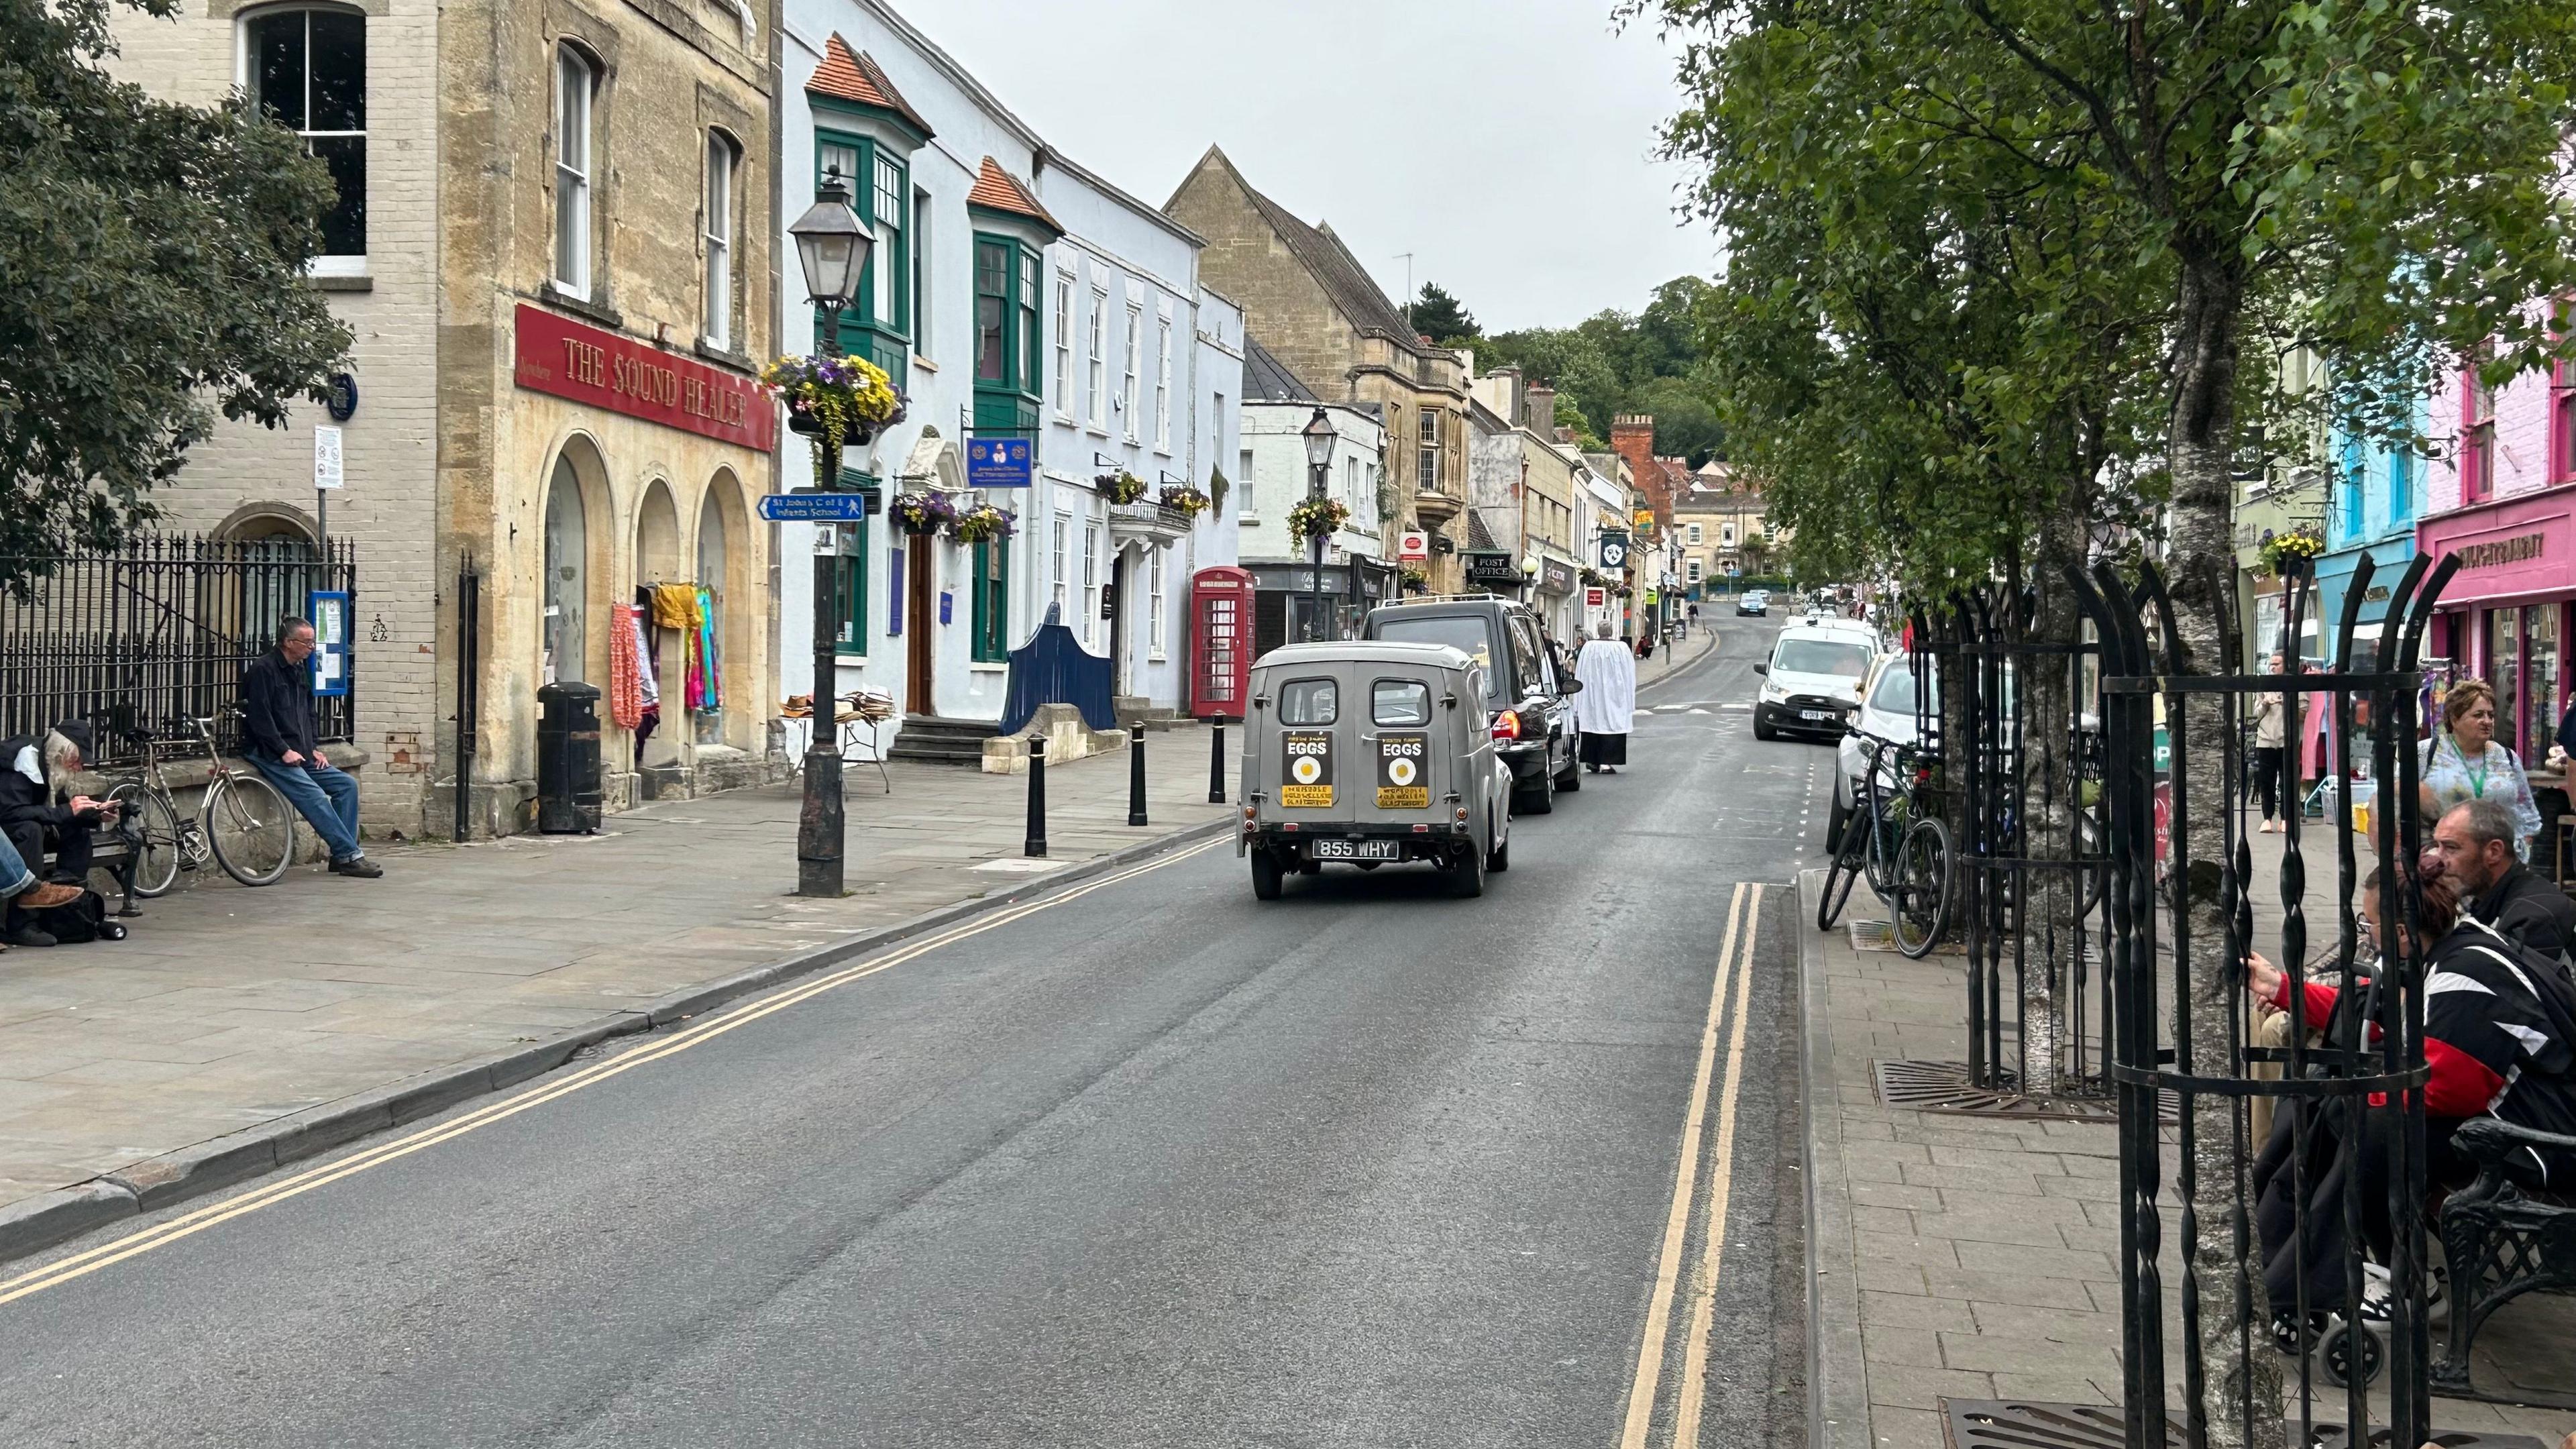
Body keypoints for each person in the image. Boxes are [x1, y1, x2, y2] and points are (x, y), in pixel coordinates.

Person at [2250, 863, 2576, 1342]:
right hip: (2483, 1119)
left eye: (2369, 925)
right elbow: (2371, 1015)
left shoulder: (2469, 973)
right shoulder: (2431, 950)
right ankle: (2290, 1250)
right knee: (2335, 1100)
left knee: (2374, 1124)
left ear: (2400, 931)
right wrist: (2281, 989)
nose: (2366, 934)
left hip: (2532, 1139)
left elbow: (2448, 1087)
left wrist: (2360, 1090)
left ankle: (2401, 1280)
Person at [242, 616, 383, 878]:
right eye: (306, 642)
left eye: (313, 642)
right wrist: (283, 750)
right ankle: (350, 855)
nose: (312, 648)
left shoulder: (298, 668)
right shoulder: (263, 670)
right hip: (271, 753)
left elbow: (309, 711)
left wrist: (313, 747)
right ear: (287, 642)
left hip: (301, 751)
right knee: (315, 797)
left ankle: (341, 855)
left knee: (346, 786)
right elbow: (260, 717)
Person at [0, 721, 117, 947]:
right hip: (9, 828)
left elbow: (60, 808)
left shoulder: (53, 765)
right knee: (30, 830)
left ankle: (69, 908)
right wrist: (66, 811)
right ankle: (22, 924)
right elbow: (10, 812)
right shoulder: (22, 763)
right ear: (60, 753)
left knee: (76, 828)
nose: (77, 768)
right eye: (75, 760)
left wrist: (94, 814)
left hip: (32, 822)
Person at [2430, 797, 2576, 970]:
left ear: (2494, 852)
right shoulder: (2488, 899)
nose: (2438, 860)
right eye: (2437, 846)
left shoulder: (2531, 919)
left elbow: (2513, 993)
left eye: (2451, 847)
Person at [2418, 678, 2542, 859]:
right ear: (2454, 718)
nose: (2487, 721)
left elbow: (2527, 814)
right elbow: (2398, 806)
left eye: (2490, 715)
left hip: (2497, 864)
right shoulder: (2426, 753)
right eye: (2478, 715)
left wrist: (2521, 851)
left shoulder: (2506, 757)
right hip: (2443, 862)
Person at [1574, 621, 1638, 774]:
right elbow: (1630, 673)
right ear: (1611, 631)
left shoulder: (1589, 648)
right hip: (1615, 693)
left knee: (1594, 722)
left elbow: (1580, 672)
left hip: (1593, 694)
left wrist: (1580, 696)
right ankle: (1605, 762)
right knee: (1611, 723)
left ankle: (1593, 760)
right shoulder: (1622, 648)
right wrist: (1628, 695)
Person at [2252, 653, 2289, 833]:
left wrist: (2285, 702)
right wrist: (2266, 703)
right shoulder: (2264, 686)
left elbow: (2304, 711)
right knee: (2267, 782)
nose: (2273, 667)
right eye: (2271, 664)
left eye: (2277, 664)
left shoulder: (2293, 685)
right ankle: (2267, 818)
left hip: (2286, 741)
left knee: (2287, 782)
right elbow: (2256, 713)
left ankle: (2285, 818)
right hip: (2266, 740)